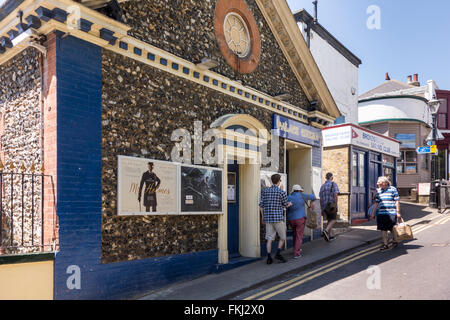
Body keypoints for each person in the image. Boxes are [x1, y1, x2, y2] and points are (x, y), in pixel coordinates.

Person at [259, 174, 292, 264]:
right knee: (282, 237)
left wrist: (263, 217)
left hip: (268, 219)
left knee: (269, 239)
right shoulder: (281, 192)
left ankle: (269, 257)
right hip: (278, 219)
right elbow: (286, 204)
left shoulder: (266, 191)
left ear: (272, 181)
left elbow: (261, 205)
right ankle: (277, 253)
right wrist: (290, 204)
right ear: (279, 181)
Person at [370, 176, 401, 251]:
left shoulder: (393, 189)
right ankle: (385, 244)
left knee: (392, 228)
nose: (378, 185)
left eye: (379, 183)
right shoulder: (379, 191)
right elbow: (376, 203)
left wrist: (398, 212)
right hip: (381, 214)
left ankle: (395, 240)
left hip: (391, 213)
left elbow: (397, 201)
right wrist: (373, 214)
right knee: (383, 229)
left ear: (384, 183)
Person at [287, 185, 316, 258]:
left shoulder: (288, 197)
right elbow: (313, 197)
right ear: (300, 190)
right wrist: (311, 204)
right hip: (300, 218)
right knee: (299, 236)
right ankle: (296, 253)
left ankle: (295, 249)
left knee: (294, 234)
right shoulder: (303, 195)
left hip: (291, 219)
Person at [319, 172, 339, 242]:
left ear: (326, 178)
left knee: (329, 220)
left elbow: (320, 199)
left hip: (324, 206)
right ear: (331, 177)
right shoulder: (333, 184)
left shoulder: (322, 186)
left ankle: (328, 236)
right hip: (331, 206)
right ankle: (326, 231)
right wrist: (336, 205)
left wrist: (322, 208)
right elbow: (335, 195)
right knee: (333, 219)